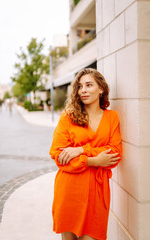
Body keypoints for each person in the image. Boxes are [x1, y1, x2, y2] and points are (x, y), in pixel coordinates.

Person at [49, 68, 122, 240]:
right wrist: (93, 161)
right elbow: (58, 155)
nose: (83, 90)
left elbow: (115, 153)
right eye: (80, 86)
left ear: (101, 88)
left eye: (89, 85)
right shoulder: (68, 117)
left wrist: (81, 150)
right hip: (70, 190)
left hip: (97, 193)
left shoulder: (112, 117)